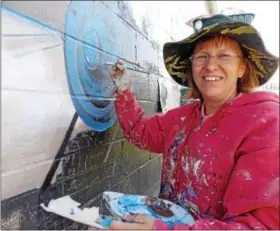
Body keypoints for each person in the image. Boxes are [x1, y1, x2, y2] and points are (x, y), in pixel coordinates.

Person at [107, 14, 279, 230]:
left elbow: (258, 226)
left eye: (224, 56)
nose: (210, 66)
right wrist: (124, 93)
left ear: (243, 68)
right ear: (191, 67)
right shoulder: (183, 117)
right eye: (202, 57)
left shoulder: (267, 123)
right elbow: (141, 133)